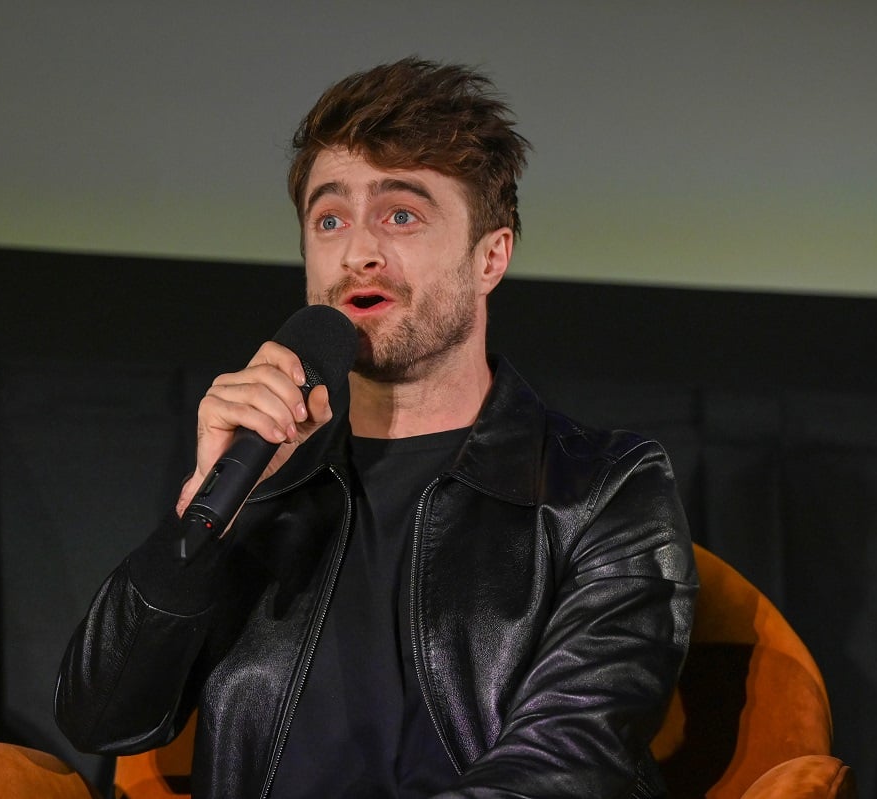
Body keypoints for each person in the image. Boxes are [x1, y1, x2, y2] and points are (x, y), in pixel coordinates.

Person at [55, 57, 698, 799]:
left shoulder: (602, 488)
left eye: (402, 214)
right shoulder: (266, 480)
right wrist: (205, 516)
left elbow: (569, 760)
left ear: (490, 255)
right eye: (330, 219)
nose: (358, 251)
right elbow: (100, 716)